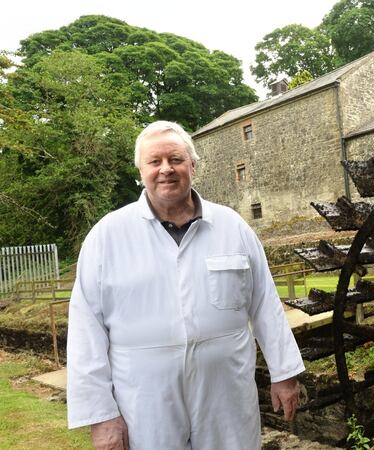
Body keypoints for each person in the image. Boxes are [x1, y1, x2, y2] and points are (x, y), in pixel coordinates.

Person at [66, 121, 305, 450]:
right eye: (154, 162)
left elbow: (265, 303)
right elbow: (85, 332)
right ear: (141, 170)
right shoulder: (108, 237)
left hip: (226, 398)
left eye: (176, 159)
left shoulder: (232, 227)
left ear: (193, 165)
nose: (166, 170)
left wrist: (284, 373)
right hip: (145, 403)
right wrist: (101, 416)